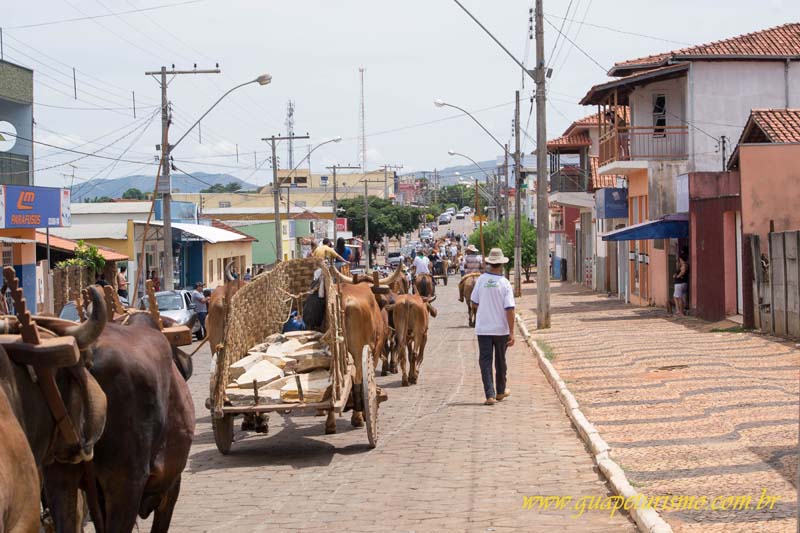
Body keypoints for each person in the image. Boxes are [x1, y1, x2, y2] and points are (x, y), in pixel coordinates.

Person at [470, 248, 515, 406]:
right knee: (501, 360)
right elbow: (510, 309)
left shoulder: (481, 280)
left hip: (483, 329)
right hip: (501, 329)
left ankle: (490, 394)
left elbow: (474, 302)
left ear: (489, 263)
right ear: (501, 265)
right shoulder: (505, 283)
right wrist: (512, 332)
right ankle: (501, 391)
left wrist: (485, 308)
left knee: (485, 360)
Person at [673, 248, 690, 316]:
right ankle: (678, 311)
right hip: (682, 283)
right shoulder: (683, 265)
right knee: (676, 297)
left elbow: (683, 271)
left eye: (679, 259)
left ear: (681, 259)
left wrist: (678, 276)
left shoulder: (684, 265)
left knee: (679, 298)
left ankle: (680, 312)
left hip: (680, 283)